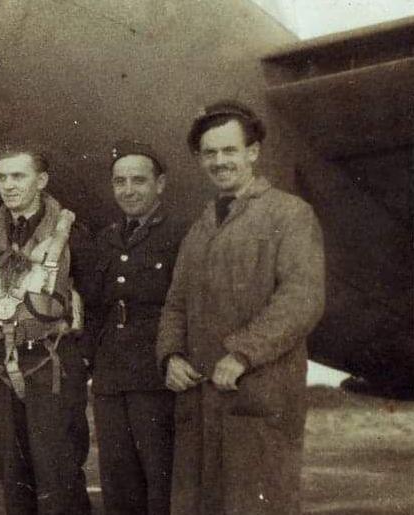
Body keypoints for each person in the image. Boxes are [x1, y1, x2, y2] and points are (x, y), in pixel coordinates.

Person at [156, 101, 325, 514]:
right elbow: (176, 302)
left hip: (260, 396)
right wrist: (171, 355)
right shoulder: (201, 226)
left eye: (229, 150)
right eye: (210, 153)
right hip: (200, 399)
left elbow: (302, 297)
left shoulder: (289, 213)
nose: (219, 161)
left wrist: (243, 353)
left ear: (253, 152)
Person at [0, 149, 89, 515]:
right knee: (11, 473)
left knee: (57, 472)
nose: (9, 185)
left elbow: (92, 300)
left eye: (19, 176)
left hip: (50, 363)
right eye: (3, 178)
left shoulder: (73, 234)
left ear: (41, 181)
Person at [85, 141, 186, 515]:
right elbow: (96, 306)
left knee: (161, 482)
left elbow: (185, 304)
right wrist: (91, 360)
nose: (128, 190)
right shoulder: (107, 239)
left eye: (138, 181)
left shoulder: (178, 235)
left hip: (154, 374)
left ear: (160, 184)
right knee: (118, 482)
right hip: (111, 377)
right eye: (120, 182)